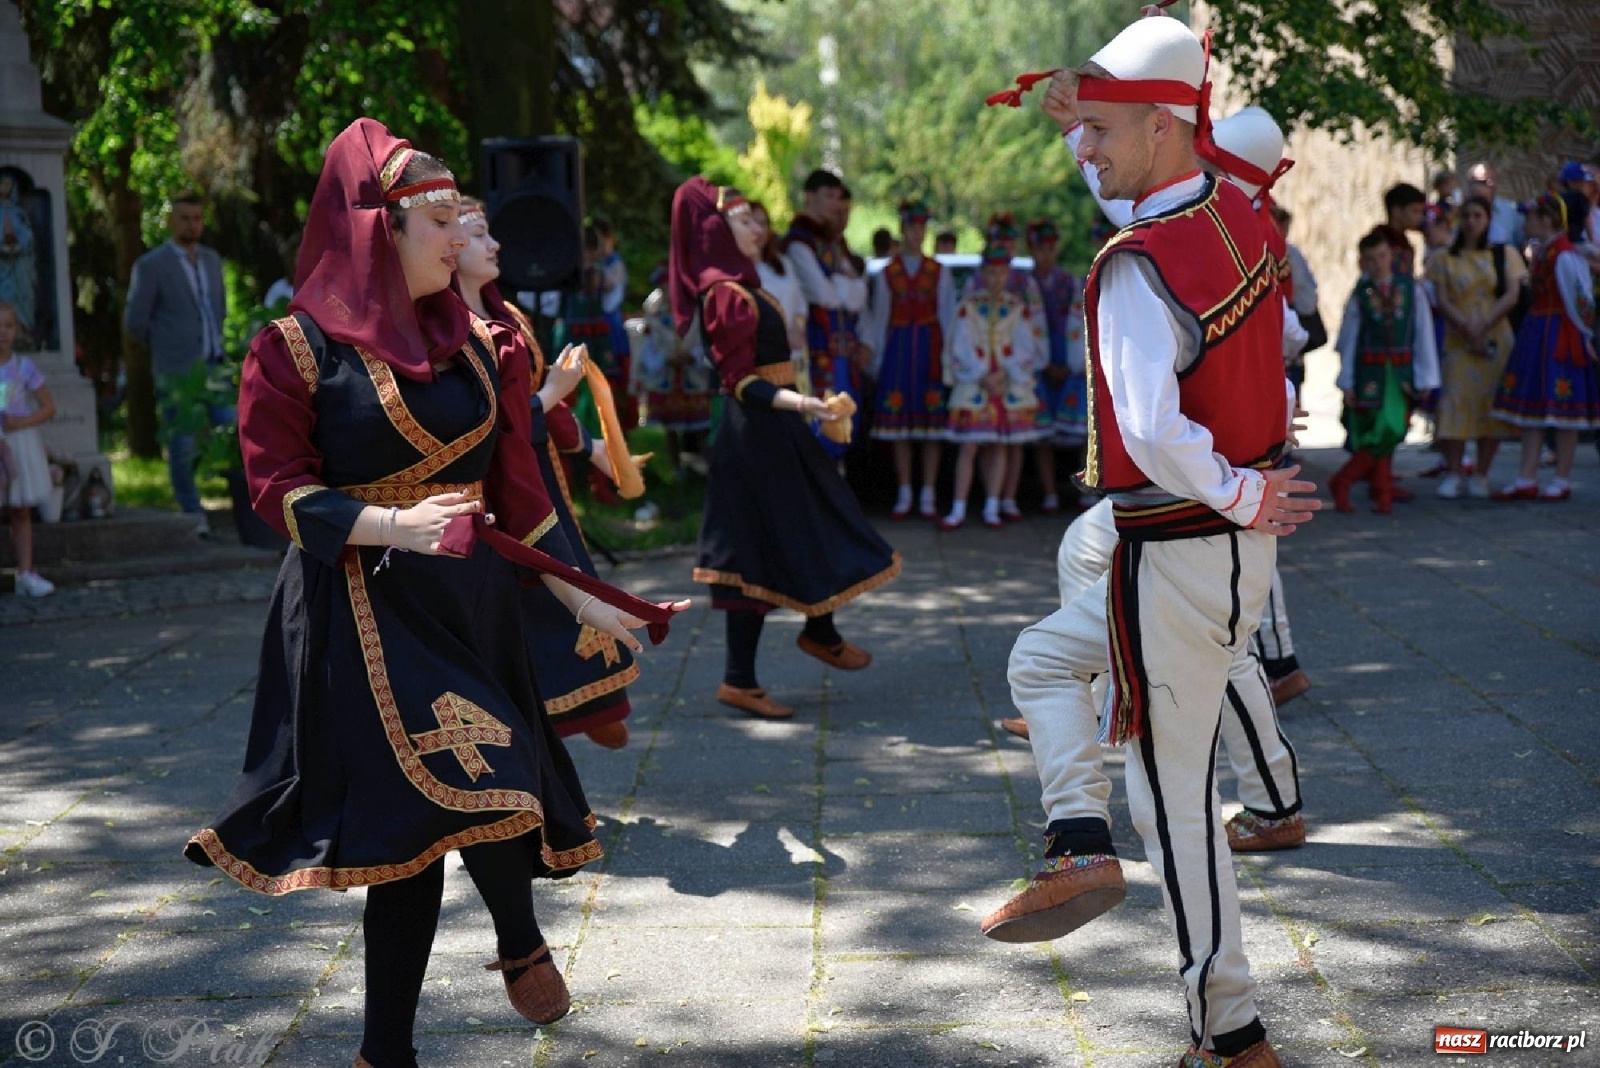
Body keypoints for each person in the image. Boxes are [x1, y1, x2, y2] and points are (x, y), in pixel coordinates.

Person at [182, 119, 685, 1068]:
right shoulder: (295, 349)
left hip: (472, 598)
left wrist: (591, 601)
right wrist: (388, 525)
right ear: (380, 229)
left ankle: (460, 985)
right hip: (360, 610)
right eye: (441, 218)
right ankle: (413, 1030)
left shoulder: (477, 344)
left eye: (462, 216)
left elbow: (518, 488)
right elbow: (271, 489)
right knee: (433, 814)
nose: (461, 238)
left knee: (475, 795)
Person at [1017, 13, 1320, 1063]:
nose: (1084, 152)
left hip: (1184, 545)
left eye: (1099, 131)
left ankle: (1229, 1031)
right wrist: (1253, 483)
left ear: (1159, 126)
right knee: (1054, 661)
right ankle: (1080, 830)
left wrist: (1238, 488)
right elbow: (1265, 363)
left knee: (1176, 804)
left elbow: (1148, 425)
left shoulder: (1135, 263)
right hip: (1228, 550)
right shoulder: (1242, 212)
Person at [673, 177, 900, 720]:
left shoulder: (746, 285)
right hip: (755, 436)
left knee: (807, 524)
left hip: (772, 431)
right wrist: (806, 406)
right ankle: (743, 677)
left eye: (757, 219)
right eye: (743, 219)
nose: (758, 226)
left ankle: (818, 632)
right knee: (754, 548)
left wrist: (804, 405)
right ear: (715, 230)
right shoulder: (726, 295)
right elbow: (740, 383)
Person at [455, 196, 645, 751]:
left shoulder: (508, 316)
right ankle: (548, 734)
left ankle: (588, 702)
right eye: (476, 234)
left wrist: (594, 452)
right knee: (521, 609)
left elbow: (545, 402)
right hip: (492, 491)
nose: (493, 245)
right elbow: (494, 424)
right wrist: (549, 394)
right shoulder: (445, 331)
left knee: (568, 589)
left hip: (541, 481)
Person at [123, 194, 228, 536]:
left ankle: (248, 509)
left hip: (215, 367)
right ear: (170, 221)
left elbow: (219, 308)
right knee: (182, 445)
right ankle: (191, 512)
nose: (191, 224)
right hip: (177, 371)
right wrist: (168, 348)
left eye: (197, 218)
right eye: (184, 218)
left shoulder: (212, 260)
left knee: (236, 434)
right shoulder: (151, 265)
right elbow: (135, 322)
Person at [1490, 192, 1599, 501]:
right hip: (1538, 332)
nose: (1526, 222)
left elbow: (1581, 302)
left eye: (1531, 217)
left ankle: (1561, 478)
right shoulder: (1545, 253)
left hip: (1558, 334)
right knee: (1533, 410)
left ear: (1547, 220)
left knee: (1564, 412)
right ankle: (1526, 476)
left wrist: (1586, 336)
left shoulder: (1565, 255)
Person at [1329, 229, 1441, 514]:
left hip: (1401, 372)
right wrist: (1348, 382)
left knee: (1392, 430)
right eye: (1371, 258)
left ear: (1391, 255)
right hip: (1370, 373)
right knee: (1383, 430)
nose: (1377, 263)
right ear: (1362, 261)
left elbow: (1423, 333)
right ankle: (1363, 486)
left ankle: (1367, 487)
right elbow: (1349, 339)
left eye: (1381, 256)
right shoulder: (1361, 294)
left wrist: (1427, 375)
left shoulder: (1410, 289)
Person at [941, 244, 1045, 530]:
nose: (995, 279)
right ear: (982, 274)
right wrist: (981, 373)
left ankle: (992, 506)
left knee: (1000, 443)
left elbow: (1026, 348)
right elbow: (959, 344)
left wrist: (1005, 374)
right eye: (990, 273)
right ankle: (958, 507)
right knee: (969, 444)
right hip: (975, 383)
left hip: (1005, 385)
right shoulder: (968, 306)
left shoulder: (1016, 307)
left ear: (1007, 274)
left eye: (1001, 273)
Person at [1426, 196, 1524, 499]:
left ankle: (1482, 473)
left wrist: (1483, 325)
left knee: (1489, 406)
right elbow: (1442, 299)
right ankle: (1455, 471)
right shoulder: (1444, 259)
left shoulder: (1505, 254)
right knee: (1455, 402)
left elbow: (1512, 294)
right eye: (1466, 215)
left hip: (1495, 337)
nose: (1471, 221)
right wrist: (1468, 328)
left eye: (1478, 215)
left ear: (1487, 220)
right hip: (1459, 339)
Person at [865, 198, 954, 519]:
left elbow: (947, 316)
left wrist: (947, 359)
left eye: (921, 228)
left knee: (930, 424)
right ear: (903, 231)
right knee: (899, 426)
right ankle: (905, 491)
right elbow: (880, 317)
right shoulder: (888, 273)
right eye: (911, 228)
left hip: (930, 348)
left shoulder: (938, 271)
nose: (917, 234)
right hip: (899, 350)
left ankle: (928, 492)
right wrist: (876, 358)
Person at [784, 170, 869, 461]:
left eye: (837, 196)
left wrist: (839, 284)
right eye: (829, 196)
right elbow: (823, 295)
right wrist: (843, 283)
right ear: (810, 197)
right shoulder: (799, 242)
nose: (835, 203)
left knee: (845, 414)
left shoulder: (834, 244)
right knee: (822, 414)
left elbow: (858, 297)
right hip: (817, 345)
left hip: (842, 345)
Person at [1025, 217, 1083, 513]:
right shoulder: (1023, 283)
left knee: (1080, 428)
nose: (1045, 254)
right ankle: (1049, 492)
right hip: (1035, 361)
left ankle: (1084, 488)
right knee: (1042, 435)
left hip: (1067, 356)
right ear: (1030, 249)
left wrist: (1072, 361)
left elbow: (1079, 322)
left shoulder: (1070, 282)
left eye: (1050, 248)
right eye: (1039, 248)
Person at [0, 300, 55, 597]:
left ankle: (25, 572)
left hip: (17, 442)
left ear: (17, 331)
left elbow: (49, 407)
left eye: (8, 326)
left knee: (20, 510)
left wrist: (22, 422)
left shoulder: (23, 367)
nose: (2, 333)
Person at [750, 201, 810, 382]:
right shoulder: (735, 272)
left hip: (793, 355)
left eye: (762, 223)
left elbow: (800, 305)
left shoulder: (783, 264)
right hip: (760, 361)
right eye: (750, 223)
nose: (758, 230)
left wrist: (796, 329)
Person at [1467, 161, 1527, 250]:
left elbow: (1524, 240)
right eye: (1481, 182)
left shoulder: (1510, 210)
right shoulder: (1458, 212)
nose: (1489, 185)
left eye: (1491, 181)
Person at [1378, 182, 1426, 278]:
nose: (1420, 217)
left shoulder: (1403, 241)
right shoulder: (1381, 241)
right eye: (1415, 211)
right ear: (1396, 212)